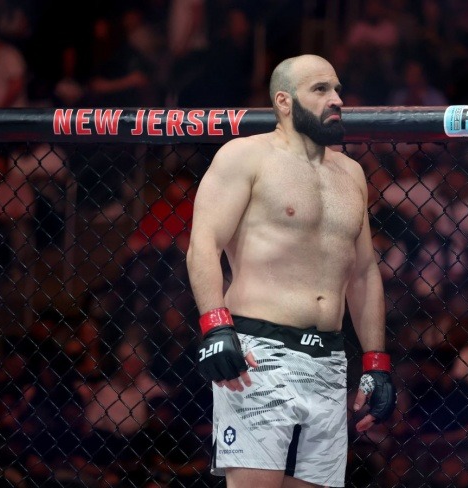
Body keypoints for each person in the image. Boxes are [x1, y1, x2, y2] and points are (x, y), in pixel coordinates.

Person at [186, 54, 396, 488]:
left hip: (329, 358)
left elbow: (363, 273)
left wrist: (376, 361)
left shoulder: (352, 174)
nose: (336, 99)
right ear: (284, 101)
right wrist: (215, 326)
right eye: (320, 89)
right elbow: (203, 244)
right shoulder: (245, 156)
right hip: (258, 354)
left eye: (337, 89)